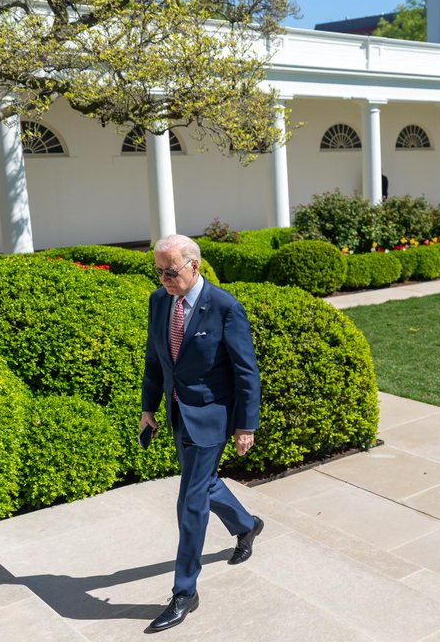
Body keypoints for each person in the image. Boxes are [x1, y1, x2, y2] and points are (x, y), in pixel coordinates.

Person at [140, 234, 263, 633]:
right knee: (204, 483)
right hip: (178, 412)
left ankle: (185, 590)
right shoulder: (159, 301)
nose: (164, 279)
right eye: (158, 271)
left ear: (194, 265)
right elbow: (155, 359)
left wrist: (246, 426)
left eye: (170, 271)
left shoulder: (226, 307)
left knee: (190, 499)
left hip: (212, 416)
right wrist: (148, 409)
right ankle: (246, 525)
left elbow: (246, 372)